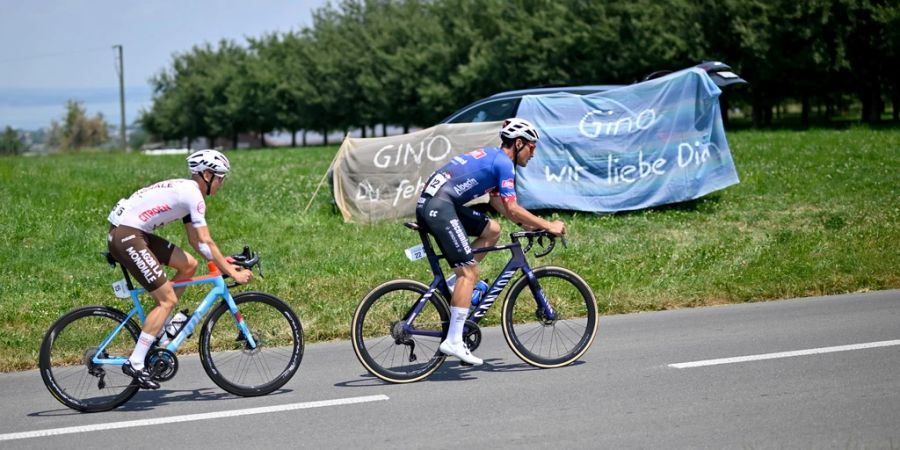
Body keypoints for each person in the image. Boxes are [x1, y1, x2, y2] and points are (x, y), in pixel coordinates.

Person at [416, 118, 566, 365]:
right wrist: (548, 225)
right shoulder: (504, 164)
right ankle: (453, 340)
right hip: (439, 207)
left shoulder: (495, 159)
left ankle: (455, 287)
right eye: (532, 146)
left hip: (438, 203)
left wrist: (528, 226)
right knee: (469, 273)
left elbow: (500, 205)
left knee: (492, 229)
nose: (533, 153)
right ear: (518, 143)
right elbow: (513, 207)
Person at [106, 149, 251, 389]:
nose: (221, 183)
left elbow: (196, 242)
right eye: (220, 178)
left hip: (134, 232)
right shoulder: (193, 196)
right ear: (206, 174)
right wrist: (233, 272)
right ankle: (136, 361)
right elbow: (207, 239)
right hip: (127, 236)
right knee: (167, 300)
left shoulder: (188, 191)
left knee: (189, 265)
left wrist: (221, 262)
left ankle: (164, 329)